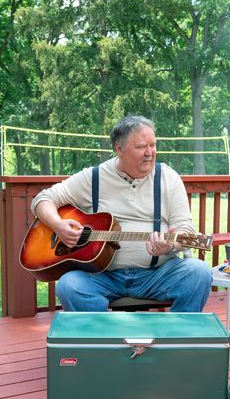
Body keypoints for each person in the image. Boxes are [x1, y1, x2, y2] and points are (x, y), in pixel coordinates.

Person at [30, 115, 212, 312]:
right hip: (103, 276)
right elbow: (43, 199)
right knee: (69, 285)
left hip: (158, 274)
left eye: (153, 145)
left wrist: (170, 245)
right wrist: (58, 225)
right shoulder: (95, 177)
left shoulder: (168, 178)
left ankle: (177, 338)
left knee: (199, 272)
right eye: (142, 146)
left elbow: (184, 227)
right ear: (119, 149)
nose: (149, 153)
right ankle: (103, 340)